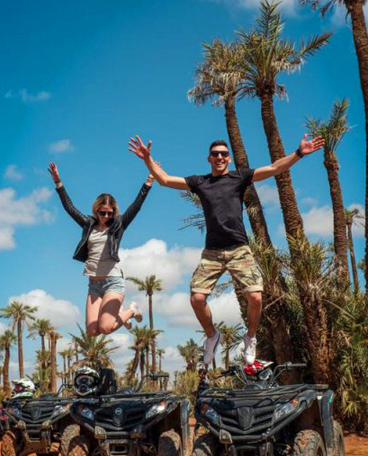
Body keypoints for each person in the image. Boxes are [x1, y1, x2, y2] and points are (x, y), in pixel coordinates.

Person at [128, 134, 324, 367]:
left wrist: (299, 153)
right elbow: (165, 180)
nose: (220, 157)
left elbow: (273, 168)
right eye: (215, 154)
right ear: (209, 158)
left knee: (255, 296)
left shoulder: (239, 177)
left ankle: (250, 337)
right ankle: (212, 336)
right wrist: (147, 159)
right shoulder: (200, 182)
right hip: (212, 252)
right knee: (197, 298)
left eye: (224, 154)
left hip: (239, 248)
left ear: (229, 159)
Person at [49, 162, 154, 337]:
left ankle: (131, 310)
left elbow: (136, 206)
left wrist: (148, 182)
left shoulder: (118, 226)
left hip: (113, 281)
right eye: (103, 212)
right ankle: (122, 316)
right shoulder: (88, 224)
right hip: (94, 284)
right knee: (91, 332)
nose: (106, 216)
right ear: (96, 211)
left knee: (105, 329)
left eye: (110, 213)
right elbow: (70, 208)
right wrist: (58, 183)